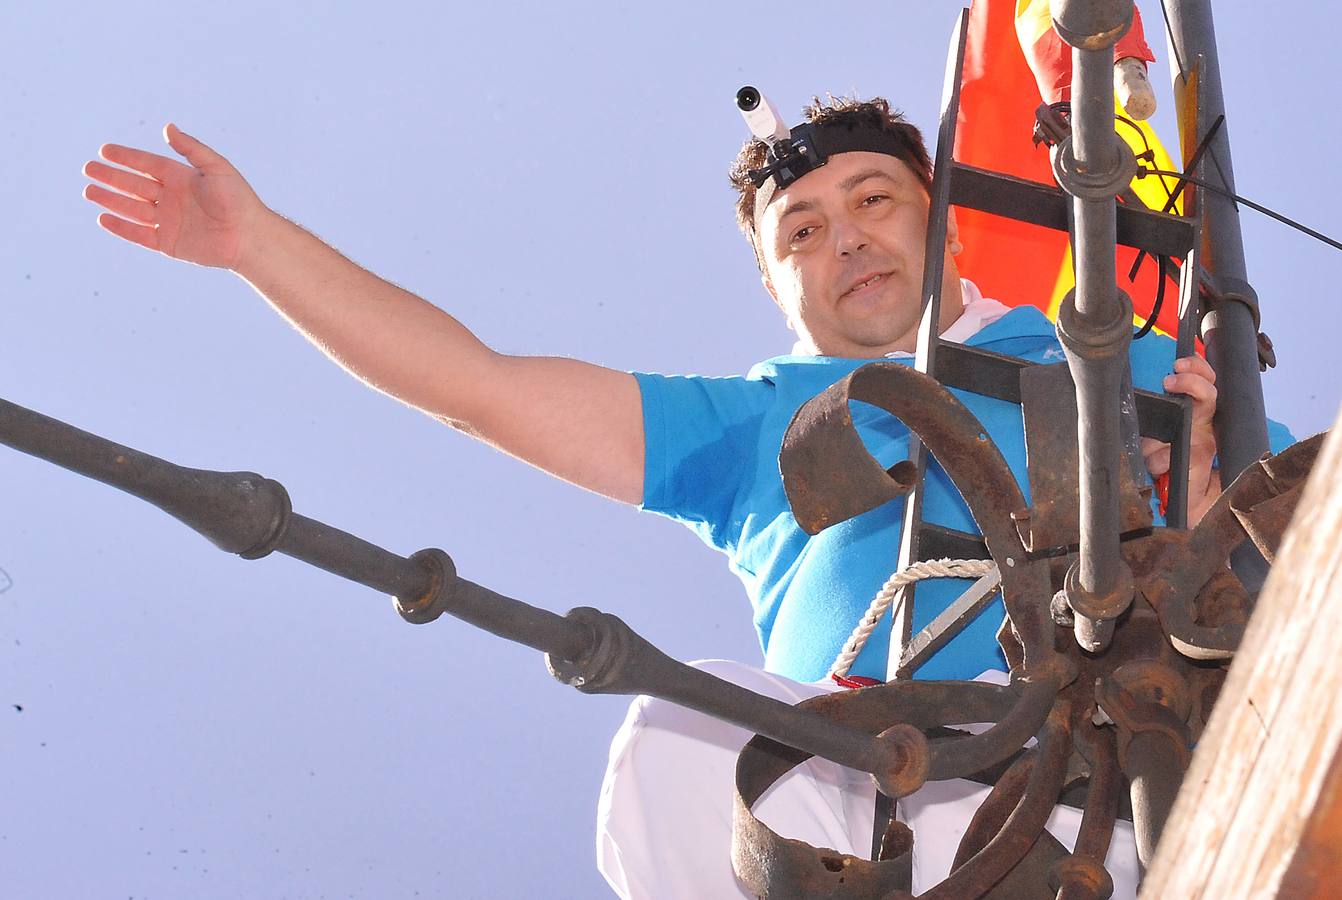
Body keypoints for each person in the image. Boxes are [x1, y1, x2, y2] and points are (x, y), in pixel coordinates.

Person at [83, 96, 1244, 897]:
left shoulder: (1113, 354)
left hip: (1122, 762)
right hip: (884, 796)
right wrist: (255, 245)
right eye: (802, 230)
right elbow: (474, 387)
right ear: (778, 284)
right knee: (681, 736)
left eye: (875, 200)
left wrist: (1199, 502)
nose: (845, 239)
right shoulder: (756, 423)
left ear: (940, 215)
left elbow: (1291, 530)